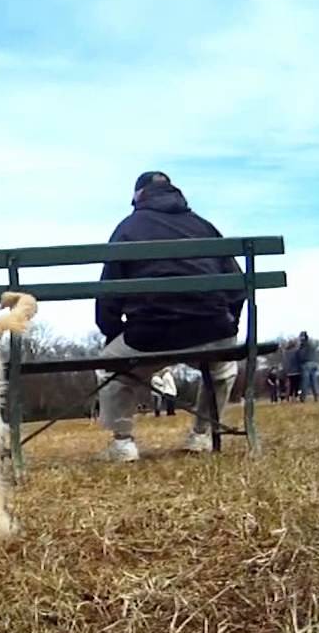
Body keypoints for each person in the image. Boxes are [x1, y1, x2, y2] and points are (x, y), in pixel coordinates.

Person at [93, 171, 246, 462]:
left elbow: (108, 295)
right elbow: (238, 287)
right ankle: (201, 436)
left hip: (151, 335)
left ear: (139, 196)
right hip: (212, 330)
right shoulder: (205, 227)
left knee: (108, 368)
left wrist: (114, 334)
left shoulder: (127, 228)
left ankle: (123, 444)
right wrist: (229, 326)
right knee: (223, 369)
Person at [297, 332, 319, 402]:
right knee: (314, 381)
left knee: (305, 382)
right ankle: (316, 396)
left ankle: (303, 397)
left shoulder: (303, 345)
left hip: (306, 364)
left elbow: (301, 355)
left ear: (302, 338)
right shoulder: (312, 345)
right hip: (314, 363)